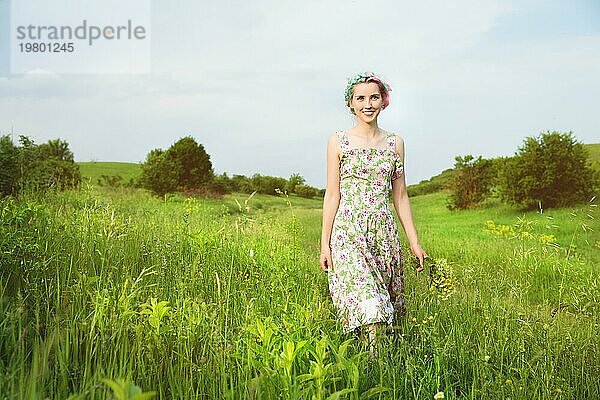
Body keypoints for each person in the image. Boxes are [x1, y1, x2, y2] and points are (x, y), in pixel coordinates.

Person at [319, 71, 428, 358]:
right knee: (371, 303)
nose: (368, 104)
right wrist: (324, 245)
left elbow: (401, 195)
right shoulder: (338, 142)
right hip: (348, 231)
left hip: (383, 232)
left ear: (383, 101)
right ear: (350, 104)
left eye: (374, 97)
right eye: (360, 98)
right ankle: (373, 365)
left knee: (385, 306)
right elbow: (332, 194)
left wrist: (414, 242)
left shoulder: (396, 143)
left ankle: (376, 365)